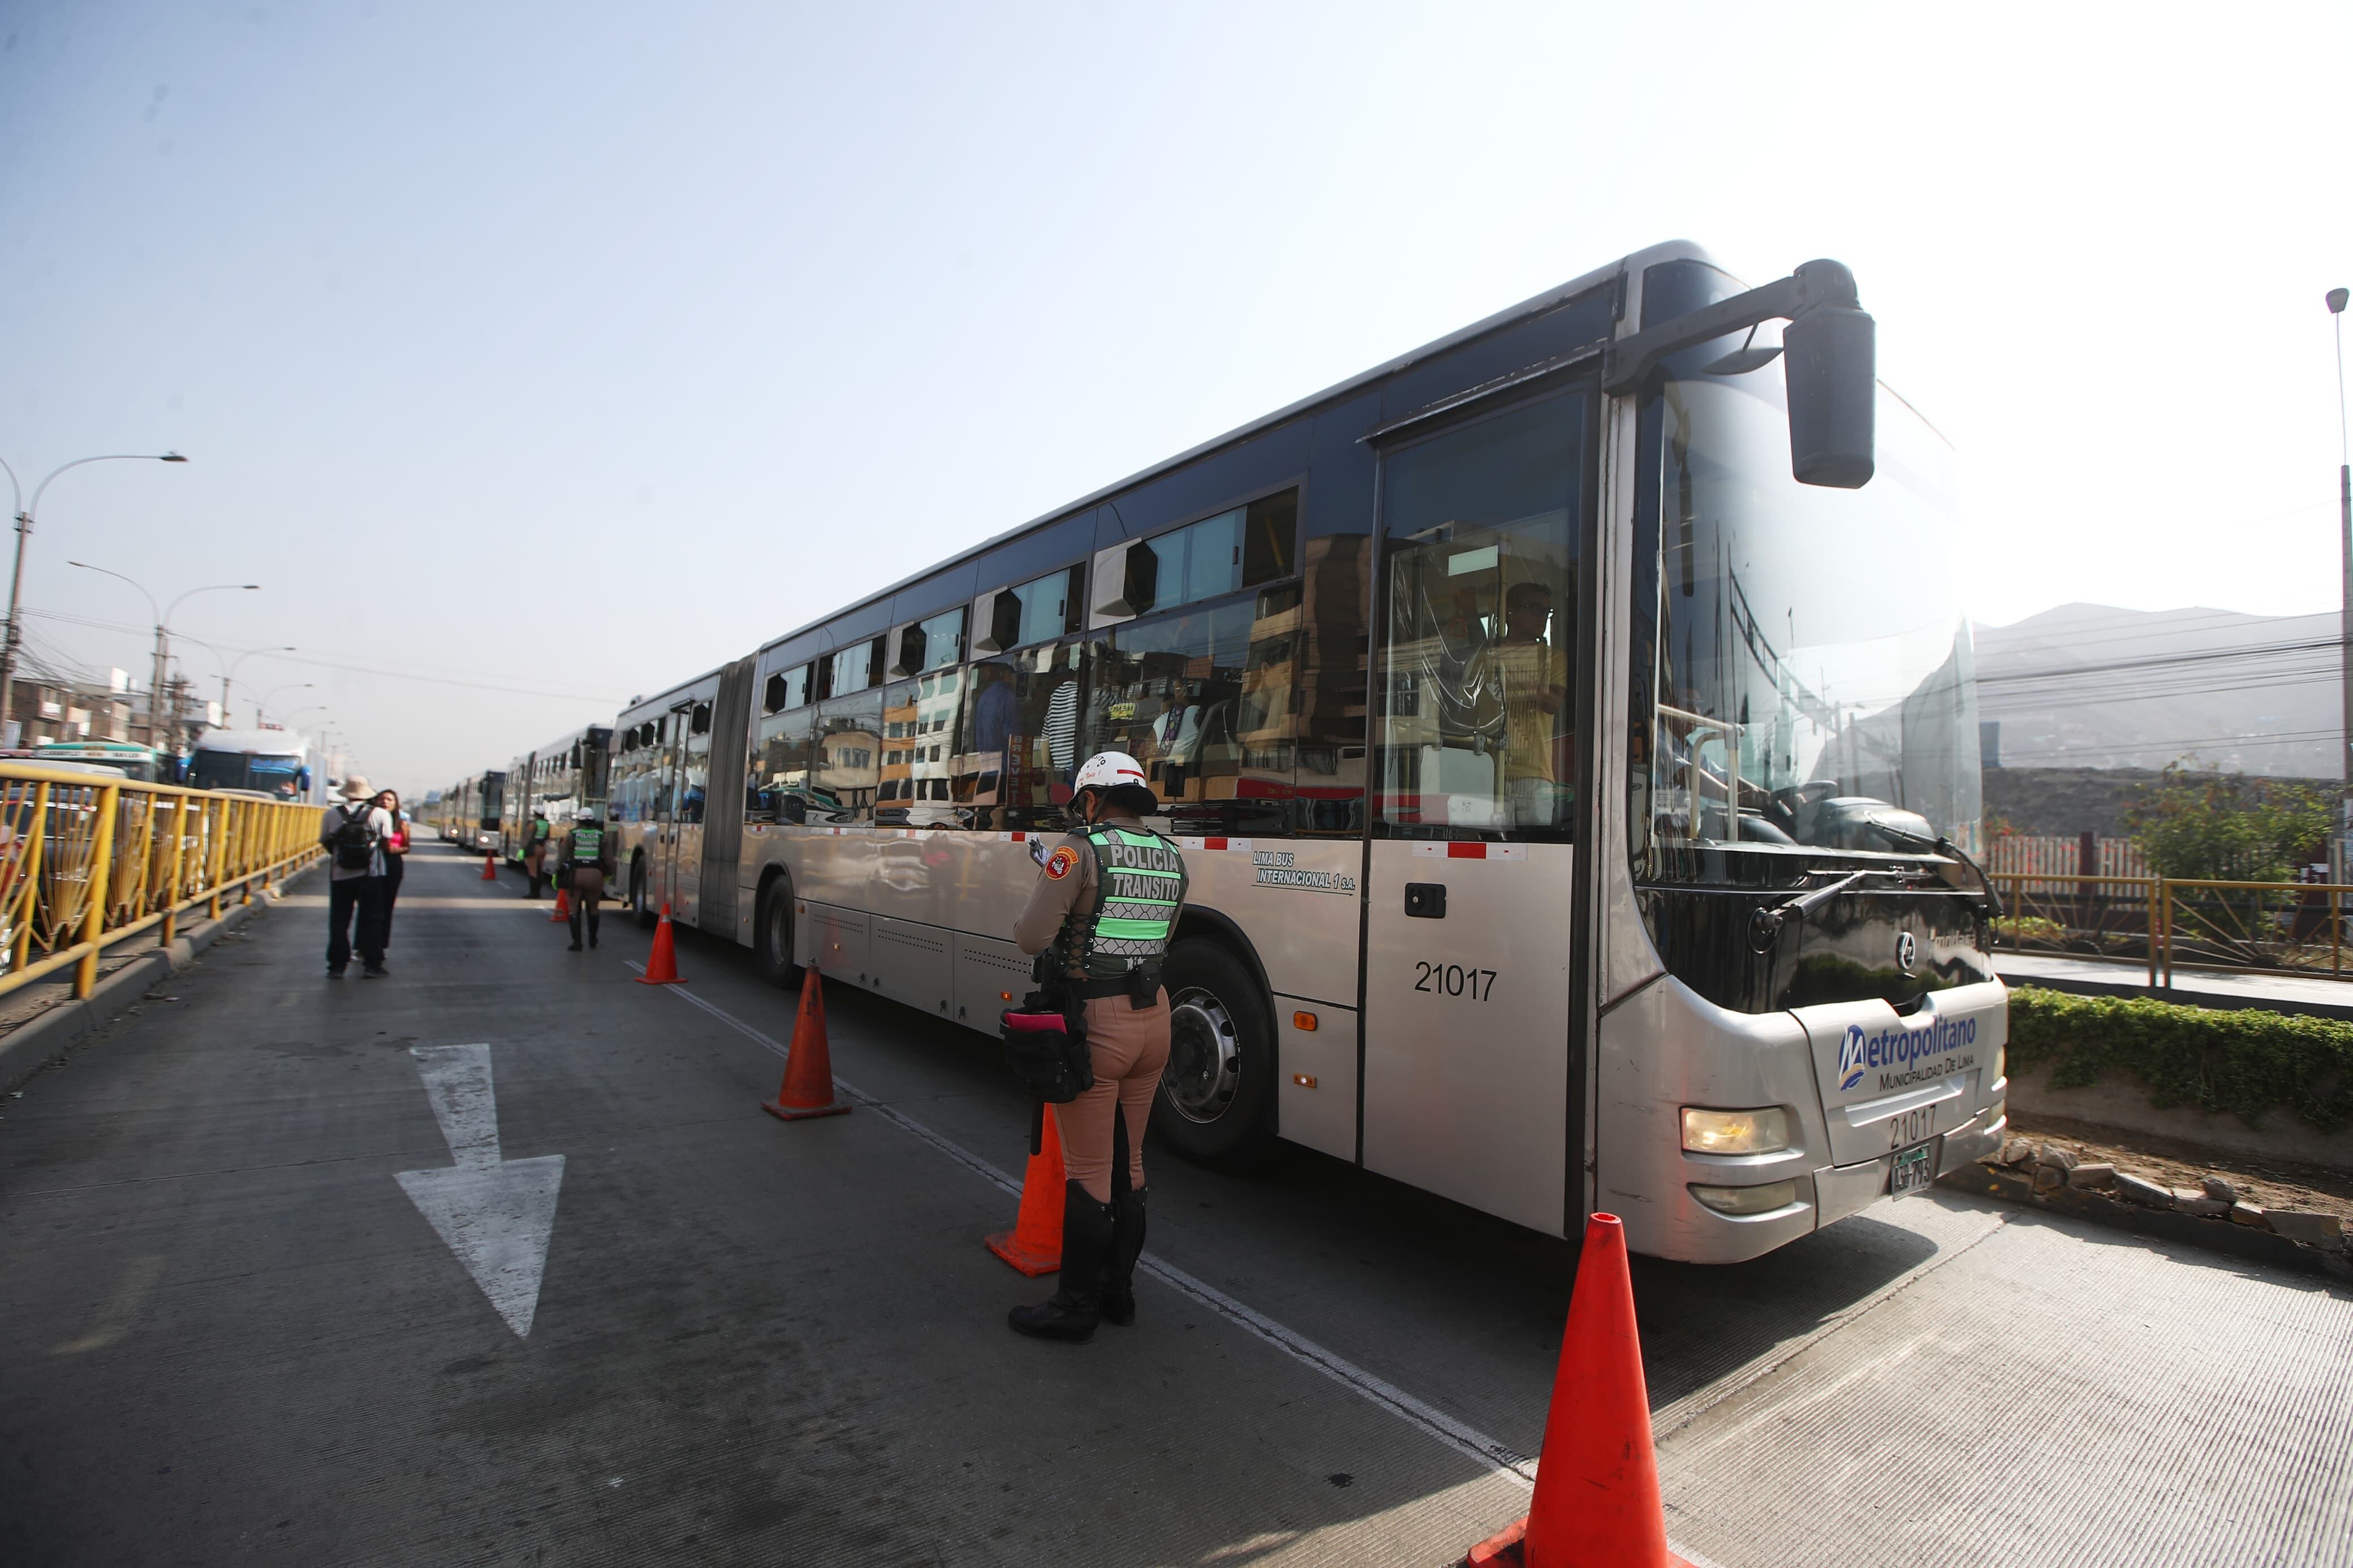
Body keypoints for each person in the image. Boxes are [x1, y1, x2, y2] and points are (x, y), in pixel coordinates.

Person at [1005, 750, 1188, 1343]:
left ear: (1090, 798)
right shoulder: (1172, 858)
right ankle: (1119, 1293)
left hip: (1096, 1022)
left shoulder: (1077, 851)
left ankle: (1074, 1306)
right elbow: (1155, 935)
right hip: (1153, 1019)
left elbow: (1029, 935)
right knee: (1129, 1164)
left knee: (1087, 1172)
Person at [318, 775, 395, 978]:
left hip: (340, 874)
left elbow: (325, 841)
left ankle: (336, 966)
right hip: (372, 873)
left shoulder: (332, 814)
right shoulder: (380, 814)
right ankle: (372, 964)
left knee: (339, 920)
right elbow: (386, 842)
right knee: (372, 919)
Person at [560, 807, 611, 951]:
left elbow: (562, 857)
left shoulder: (573, 835)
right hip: (595, 875)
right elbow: (609, 860)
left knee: (573, 909)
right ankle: (593, 940)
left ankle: (577, 943)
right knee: (594, 908)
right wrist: (608, 873)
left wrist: (559, 873)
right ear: (593, 820)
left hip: (576, 874)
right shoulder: (601, 835)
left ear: (580, 821)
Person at [374, 789, 410, 947]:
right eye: (382, 799)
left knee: (387, 907)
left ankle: (381, 945)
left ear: (396, 804)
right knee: (370, 908)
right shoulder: (369, 819)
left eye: (389, 800)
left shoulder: (401, 824)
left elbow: (407, 847)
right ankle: (362, 946)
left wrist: (392, 850)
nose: (385, 802)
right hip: (372, 864)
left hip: (393, 865)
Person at [524, 806, 553, 898]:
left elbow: (527, 838)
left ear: (535, 814)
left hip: (533, 848)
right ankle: (538, 892)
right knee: (539, 871)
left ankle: (534, 893)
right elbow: (547, 837)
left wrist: (522, 849)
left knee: (533, 872)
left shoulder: (533, 824)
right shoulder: (547, 824)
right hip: (542, 848)